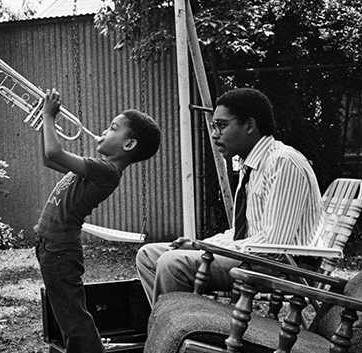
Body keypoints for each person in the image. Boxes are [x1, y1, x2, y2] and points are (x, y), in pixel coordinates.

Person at [136, 87, 322, 306]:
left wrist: (203, 249)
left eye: (221, 126)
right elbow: (240, 234)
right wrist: (200, 244)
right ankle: (176, 326)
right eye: (214, 126)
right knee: (148, 255)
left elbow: (273, 244)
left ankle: (181, 332)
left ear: (249, 125)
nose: (215, 134)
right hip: (256, 258)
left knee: (171, 263)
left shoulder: (283, 163)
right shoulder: (251, 165)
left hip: (285, 266)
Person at [34, 89, 161, 353]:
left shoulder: (105, 170)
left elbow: (55, 151)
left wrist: (48, 115)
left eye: (112, 128)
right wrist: (44, 119)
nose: (104, 131)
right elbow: (49, 157)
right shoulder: (96, 167)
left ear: (129, 144)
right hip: (51, 245)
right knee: (67, 316)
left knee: (73, 317)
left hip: (60, 249)